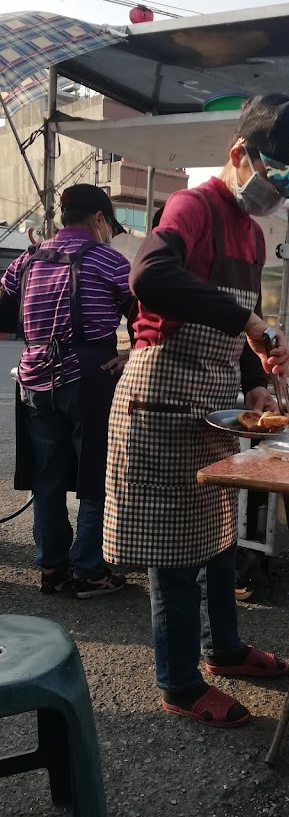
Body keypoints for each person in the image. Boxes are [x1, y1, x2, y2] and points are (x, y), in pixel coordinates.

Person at [104, 92, 289, 728]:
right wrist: (250, 320)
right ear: (238, 155)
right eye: (272, 177)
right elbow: (148, 277)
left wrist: (253, 379)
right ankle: (178, 683)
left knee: (220, 538)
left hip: (212, 403)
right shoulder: (192, 205)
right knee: (174, 555)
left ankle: (223, 649)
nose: (275, 195)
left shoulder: (253, 236)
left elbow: (237, 329)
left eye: (288, 185)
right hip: (160, 400)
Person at [0, 184, 134, 597]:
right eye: (110, 225)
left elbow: (3, 311)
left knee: (48, 475)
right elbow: (145, 318)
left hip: (35, 380)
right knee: (94, 475)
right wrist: (132, 356)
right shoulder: (111, 262)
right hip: (88, 379)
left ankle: (52, 567)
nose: (109, 233)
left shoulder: (24, 262)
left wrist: (36, 343)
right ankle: (90, 571)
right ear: (98, 219)